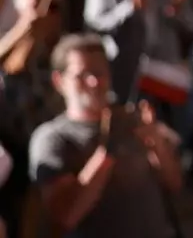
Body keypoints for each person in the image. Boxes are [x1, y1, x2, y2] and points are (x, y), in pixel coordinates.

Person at [27, 34, 183, 238]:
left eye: (99, 72)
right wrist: (107, 151)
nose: (94, 82)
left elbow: (174, 183)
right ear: (59, 81)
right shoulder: (52, 138)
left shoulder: (133, 121)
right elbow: (66, 214)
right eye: (82, 75)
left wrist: (157, 143)